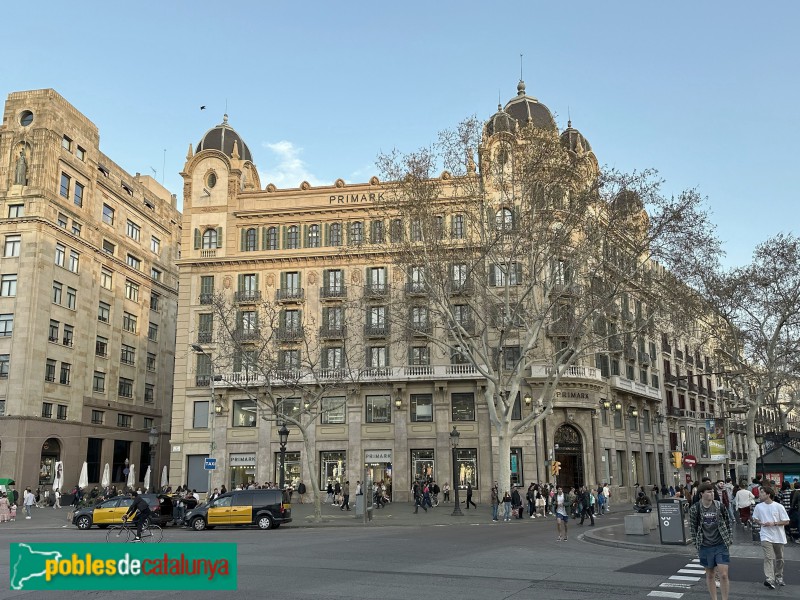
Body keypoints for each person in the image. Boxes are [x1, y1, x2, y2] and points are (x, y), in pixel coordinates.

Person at [688, 482, 732, 600]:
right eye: (708, 492)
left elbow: (728, 523)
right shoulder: (695, 508)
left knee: (723, 574)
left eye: (712, 491)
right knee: (710, 574)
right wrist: (696, 544)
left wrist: (729, 539)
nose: (712, 493)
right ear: (702, 494)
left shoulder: (719, 506)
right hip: (705, 545)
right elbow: (693, 527)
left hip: (720, 544)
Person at [752, 486, 790, 588]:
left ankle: (779, 576)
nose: (759, 495)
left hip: (778, 536)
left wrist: (774, 523)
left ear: (768, 494)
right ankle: (770, 579)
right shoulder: (758, 507)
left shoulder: (778, 506)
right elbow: (755, 518)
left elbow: (786, 521)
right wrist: (760, 522)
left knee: (780, 558)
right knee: (768, 557)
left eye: (761, 493)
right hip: (765, 535)